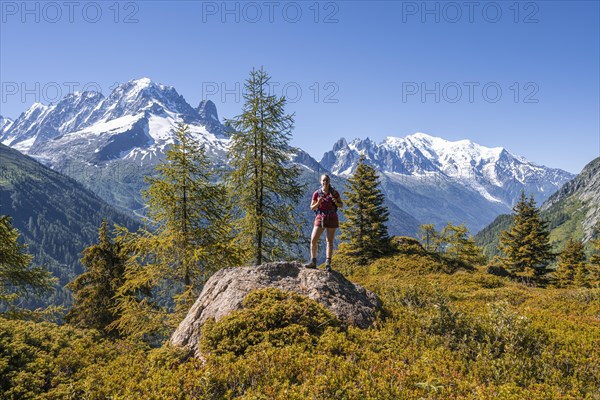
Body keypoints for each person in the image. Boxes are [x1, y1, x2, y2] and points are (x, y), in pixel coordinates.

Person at [304, 174, 343, 271]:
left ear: (329, 181)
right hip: (320, 217)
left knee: (329, 241)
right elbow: (312, 207)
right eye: (323, 180)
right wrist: (318, 202)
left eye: (327, 180)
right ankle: (313, 261)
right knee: (313, 239)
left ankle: (328, 263)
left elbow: (341, 205)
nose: (325, 182)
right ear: (320, 181)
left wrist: (336, 202)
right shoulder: (316, 193)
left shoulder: (334, 193)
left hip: (332, 217)